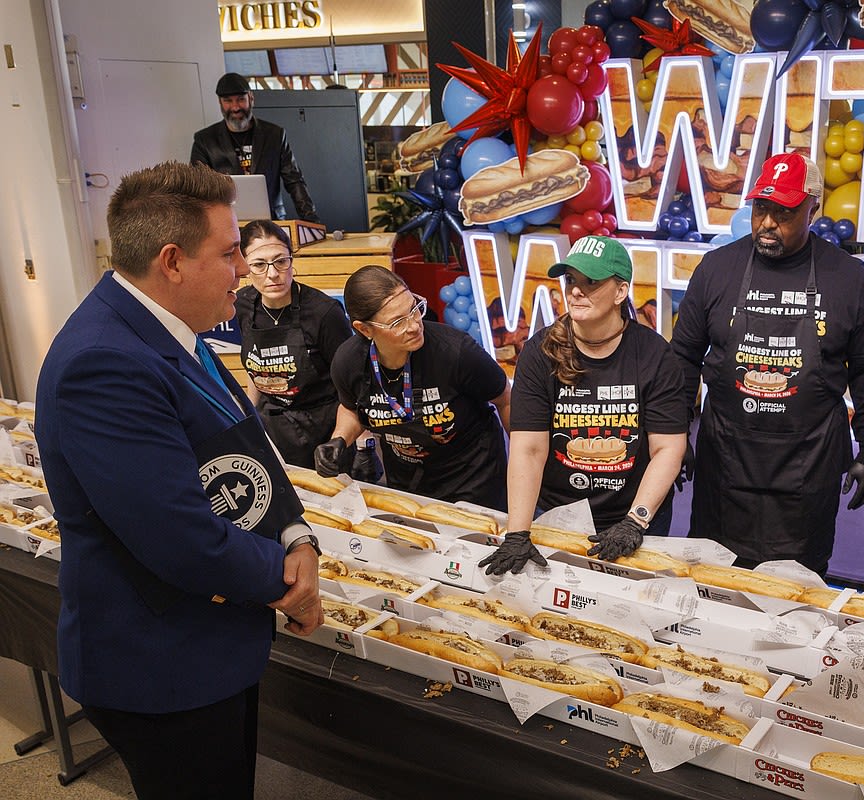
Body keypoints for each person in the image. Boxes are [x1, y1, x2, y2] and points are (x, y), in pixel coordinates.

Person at [34, 161, 321, 799]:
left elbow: (247, 441)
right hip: (161, 664)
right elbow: (179, 538)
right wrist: (287, 580)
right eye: (229, 253)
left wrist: (296, 535)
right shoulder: (103, 362)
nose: (243, 270)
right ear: (172, 262)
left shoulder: (171, 327)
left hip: (210, 642)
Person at [670, 152, 864, 575]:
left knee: (795, 589)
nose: (767, 222)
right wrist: (675, 433)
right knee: (713, 579)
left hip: (808, 465)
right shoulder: (717, 269)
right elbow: (683, 357)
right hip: (725, 459)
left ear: (812, 210)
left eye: (784, 212)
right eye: (761, 209)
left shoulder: (846, 276)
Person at [481, 235, 688, 575]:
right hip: (558, 513)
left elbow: (668, 448)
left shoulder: (654, 355)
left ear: (620, 292)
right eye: (571, 280)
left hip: (635, 511)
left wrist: (635, 521)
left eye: (591, 281)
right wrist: (518, 533)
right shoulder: (540, 352)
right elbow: (528, 448)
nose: (576, 291)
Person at [318, 265, 510, 507]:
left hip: (473, 479)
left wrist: (525, 464)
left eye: (414, 309)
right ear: (364, 329)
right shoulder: (348, 362)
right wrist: (339, 439)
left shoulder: (457, 352)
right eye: (397, 322)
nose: (414, 325)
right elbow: (352, 408)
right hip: (406, 483)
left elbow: (505, 398)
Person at [234, 220, 352, 468]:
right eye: (259, 265)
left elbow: (352, 384)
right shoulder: (242, 305)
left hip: (323, 429)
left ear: (291, 259)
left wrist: (352, 442)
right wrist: (250, 416)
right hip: (272, 428)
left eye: (281, 261)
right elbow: (254, 371)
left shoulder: (324, 312)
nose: (272, 274)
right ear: (244, 266)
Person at [190, 72, 320, 223]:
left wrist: (312, 222)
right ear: (220, 103)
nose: (235, 107)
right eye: (228, 101)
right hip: (228, 224)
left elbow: (294, 181)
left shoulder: (274, 135)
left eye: (241, 99)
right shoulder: (205, 140)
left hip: (272, 222)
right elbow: (196, 190)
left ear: (251, 98)